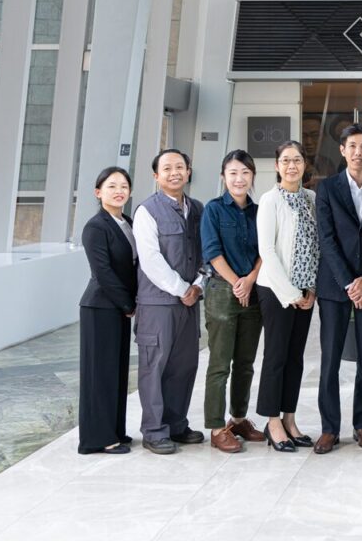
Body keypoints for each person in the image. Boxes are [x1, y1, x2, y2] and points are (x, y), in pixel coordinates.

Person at [132, 149, 207, 455]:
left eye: (180, 167)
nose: (175, 172)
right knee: (155, 366)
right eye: (167, 168)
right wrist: (181, 288)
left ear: (189, 171)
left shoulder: (198, 209)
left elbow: (208, 251)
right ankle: (153, 430)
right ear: (156, 176)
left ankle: (176, 424)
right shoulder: (146, 211)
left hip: (190, 301)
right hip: (158, 304)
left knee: (184, 364)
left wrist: (199, 286)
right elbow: (150, 260)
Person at [314, 123, 362, 454]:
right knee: (331, 358)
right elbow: (326, 239)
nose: (358, 151)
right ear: (342, 150)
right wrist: (349, 282)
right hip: (334, 285)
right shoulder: (326, 189)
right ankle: (329, 428)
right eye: (352, 145)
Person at [199, 150, 265, 454]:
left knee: (246, 363)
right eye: (233, 173)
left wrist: (250, 279)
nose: (239, 179)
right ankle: (215, 426)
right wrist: (236, 282)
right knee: (220, 362)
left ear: (252, 176)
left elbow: (267, 248)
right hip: (222, 292)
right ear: (224, 177)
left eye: (245, 173)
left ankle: (238, 418)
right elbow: (212, 251)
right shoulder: (213, 210)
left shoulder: (259, 210)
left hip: (253, 291)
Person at [255, 140, 319, 452]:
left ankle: (290, 418)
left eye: (297, 160)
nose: (291, 166)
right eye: (285, 160)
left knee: (295, 358)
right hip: (277, 291)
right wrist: (291, 293)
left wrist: (311, 291)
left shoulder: (311, 199)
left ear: (305, 165)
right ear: (277, 165)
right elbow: (266, 250)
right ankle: (272, 422)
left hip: (306, 292)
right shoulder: (270, 200)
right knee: (276, 356)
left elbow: (316, 247)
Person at [77, 166, 138, 455]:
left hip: (118, 307)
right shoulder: (95, 226)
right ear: (98, 192)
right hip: (100, 307)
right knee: (99, 374)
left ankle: (115, 430)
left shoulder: (126, 221)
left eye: (123, 185)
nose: (119, 191)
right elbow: (102, 271)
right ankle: (97, 438)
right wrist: (128, 304)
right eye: (112, 186)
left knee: (116, 372)